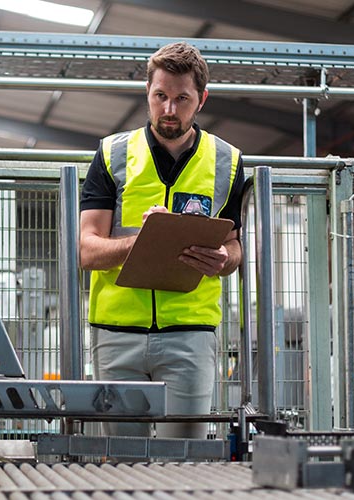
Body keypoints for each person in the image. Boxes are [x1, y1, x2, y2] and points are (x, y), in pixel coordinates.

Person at [79, 41, 245, 439]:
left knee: (185, 457)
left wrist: (224, 258)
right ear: (147, 93)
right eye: (160, 96)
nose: (169, 110)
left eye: (182, 98)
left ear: (201, 99)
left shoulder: (228, 161)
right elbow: (86, 249)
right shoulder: (112, 155)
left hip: (190, 334)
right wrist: (145, 244)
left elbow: (236, 245)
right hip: (117, 334)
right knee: (121, 462)